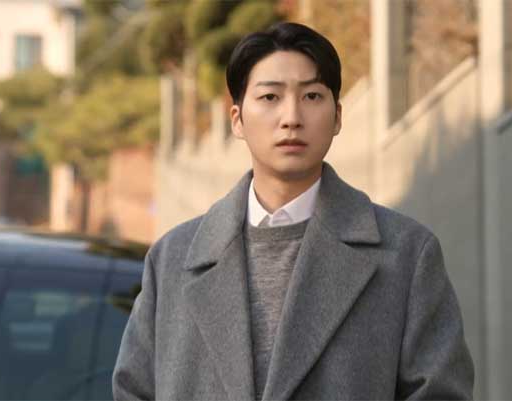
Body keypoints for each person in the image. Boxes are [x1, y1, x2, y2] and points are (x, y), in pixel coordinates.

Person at [112, 21, 474, 401]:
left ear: (337, 116)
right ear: (237, 119)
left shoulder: (407, 254)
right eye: (270, 97)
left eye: (312, 96)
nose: (291, 118)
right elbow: (134, 391)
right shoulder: (172, 259)